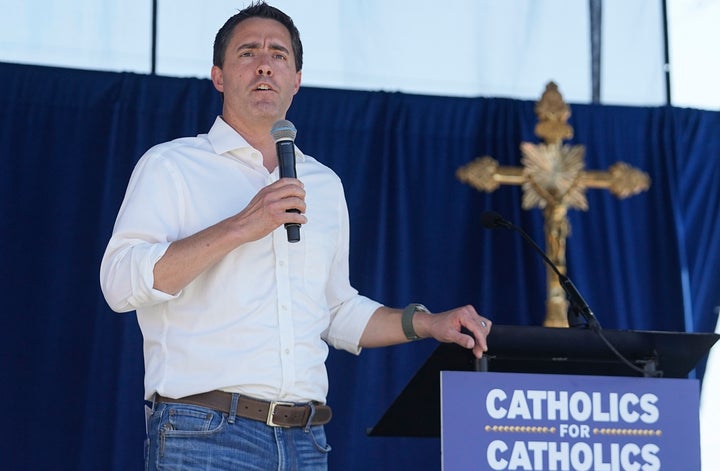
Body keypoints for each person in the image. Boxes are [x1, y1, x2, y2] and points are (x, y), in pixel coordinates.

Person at [99, 2, 492, 470]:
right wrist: (243, 225)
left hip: (306, 441)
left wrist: (426, 323)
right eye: (248, 52)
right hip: (204, 432)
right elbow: (119, 284)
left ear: (297, 80)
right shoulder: (172, 166)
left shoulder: (323, 184)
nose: (265, 63)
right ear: (219, 76)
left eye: (278, 54)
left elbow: (334, 311)